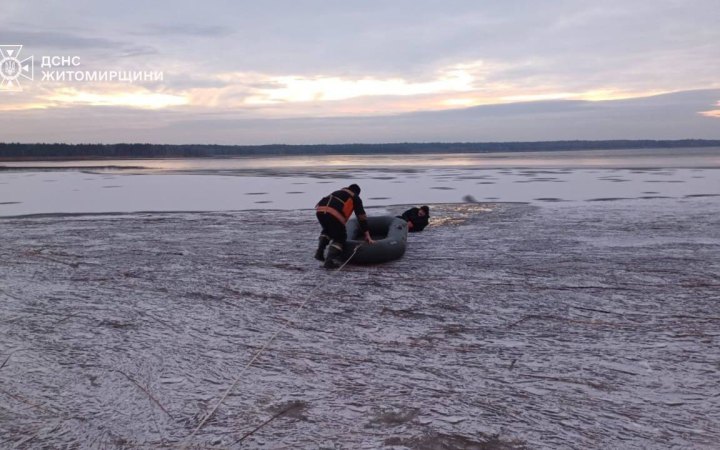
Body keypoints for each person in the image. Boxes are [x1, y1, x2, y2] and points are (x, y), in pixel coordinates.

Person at [315, 183, 374, 269]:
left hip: (320, 211)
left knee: (327, 230)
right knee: (340, 237)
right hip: (334, 214)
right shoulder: (355, 197)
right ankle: (329, 261)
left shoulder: (338, 192)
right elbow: (361, 217)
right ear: (357, 192)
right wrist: (367, 235)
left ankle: (319, 253)